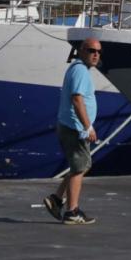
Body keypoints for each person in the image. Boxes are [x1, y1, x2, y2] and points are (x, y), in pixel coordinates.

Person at [44, 37, 101, 225]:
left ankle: (57, 199)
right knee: (79, 168)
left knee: (79, 165)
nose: (96, 55)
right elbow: (77, 99)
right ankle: (72, 212)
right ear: (82, 51)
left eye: (98, 52)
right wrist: (87, 126)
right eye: (91, 50)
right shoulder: (80, 71)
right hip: (75, 128)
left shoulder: (77, 68)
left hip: (70, 126)